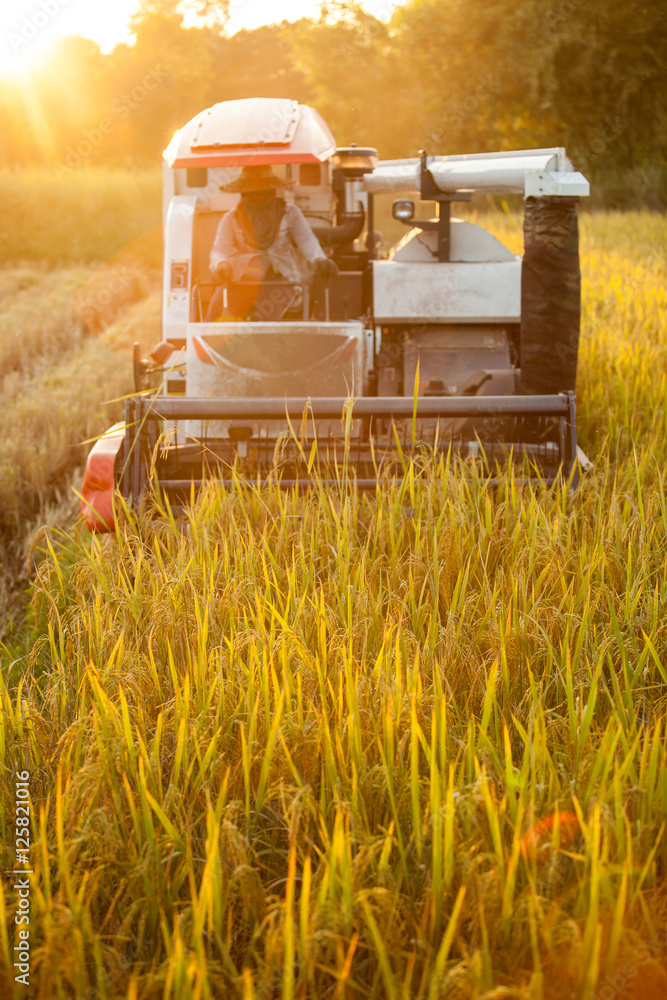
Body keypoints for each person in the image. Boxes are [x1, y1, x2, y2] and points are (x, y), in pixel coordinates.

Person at [206, 164, 338, 321]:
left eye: (264, 192)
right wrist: (221, 263)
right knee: (217, 308)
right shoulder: (231, 218)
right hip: (242, 280)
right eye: (253, 193)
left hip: (281, 280)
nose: (259, 198)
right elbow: (219, 250)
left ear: (273, 192)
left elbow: (307, 240)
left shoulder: (291, 214)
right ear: (244, 193)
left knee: (268, 320)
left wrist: (319, 259)